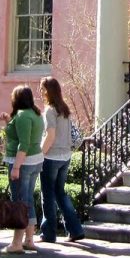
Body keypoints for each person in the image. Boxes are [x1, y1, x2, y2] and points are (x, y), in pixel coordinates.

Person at [38, 76, 85, 243]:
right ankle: (75, 229)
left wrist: (39, 154)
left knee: (48, 195)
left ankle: (48, 233)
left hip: (51, 157)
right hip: (65, 156)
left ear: (49, 91)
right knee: (60, 193)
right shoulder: (64, 109)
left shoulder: (50, 110)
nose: (41, 92)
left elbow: (50, 135)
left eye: (42, 89)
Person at [0, 84, 44, 254]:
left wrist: (16, 167)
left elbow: (23, 143)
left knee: (19, 202)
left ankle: (17, 243)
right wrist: (8, 121)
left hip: (23, 162)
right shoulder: (35, 113)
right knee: (28, 200)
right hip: (35, 161)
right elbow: (23, 134)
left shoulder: (23, 116)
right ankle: (29, 239)